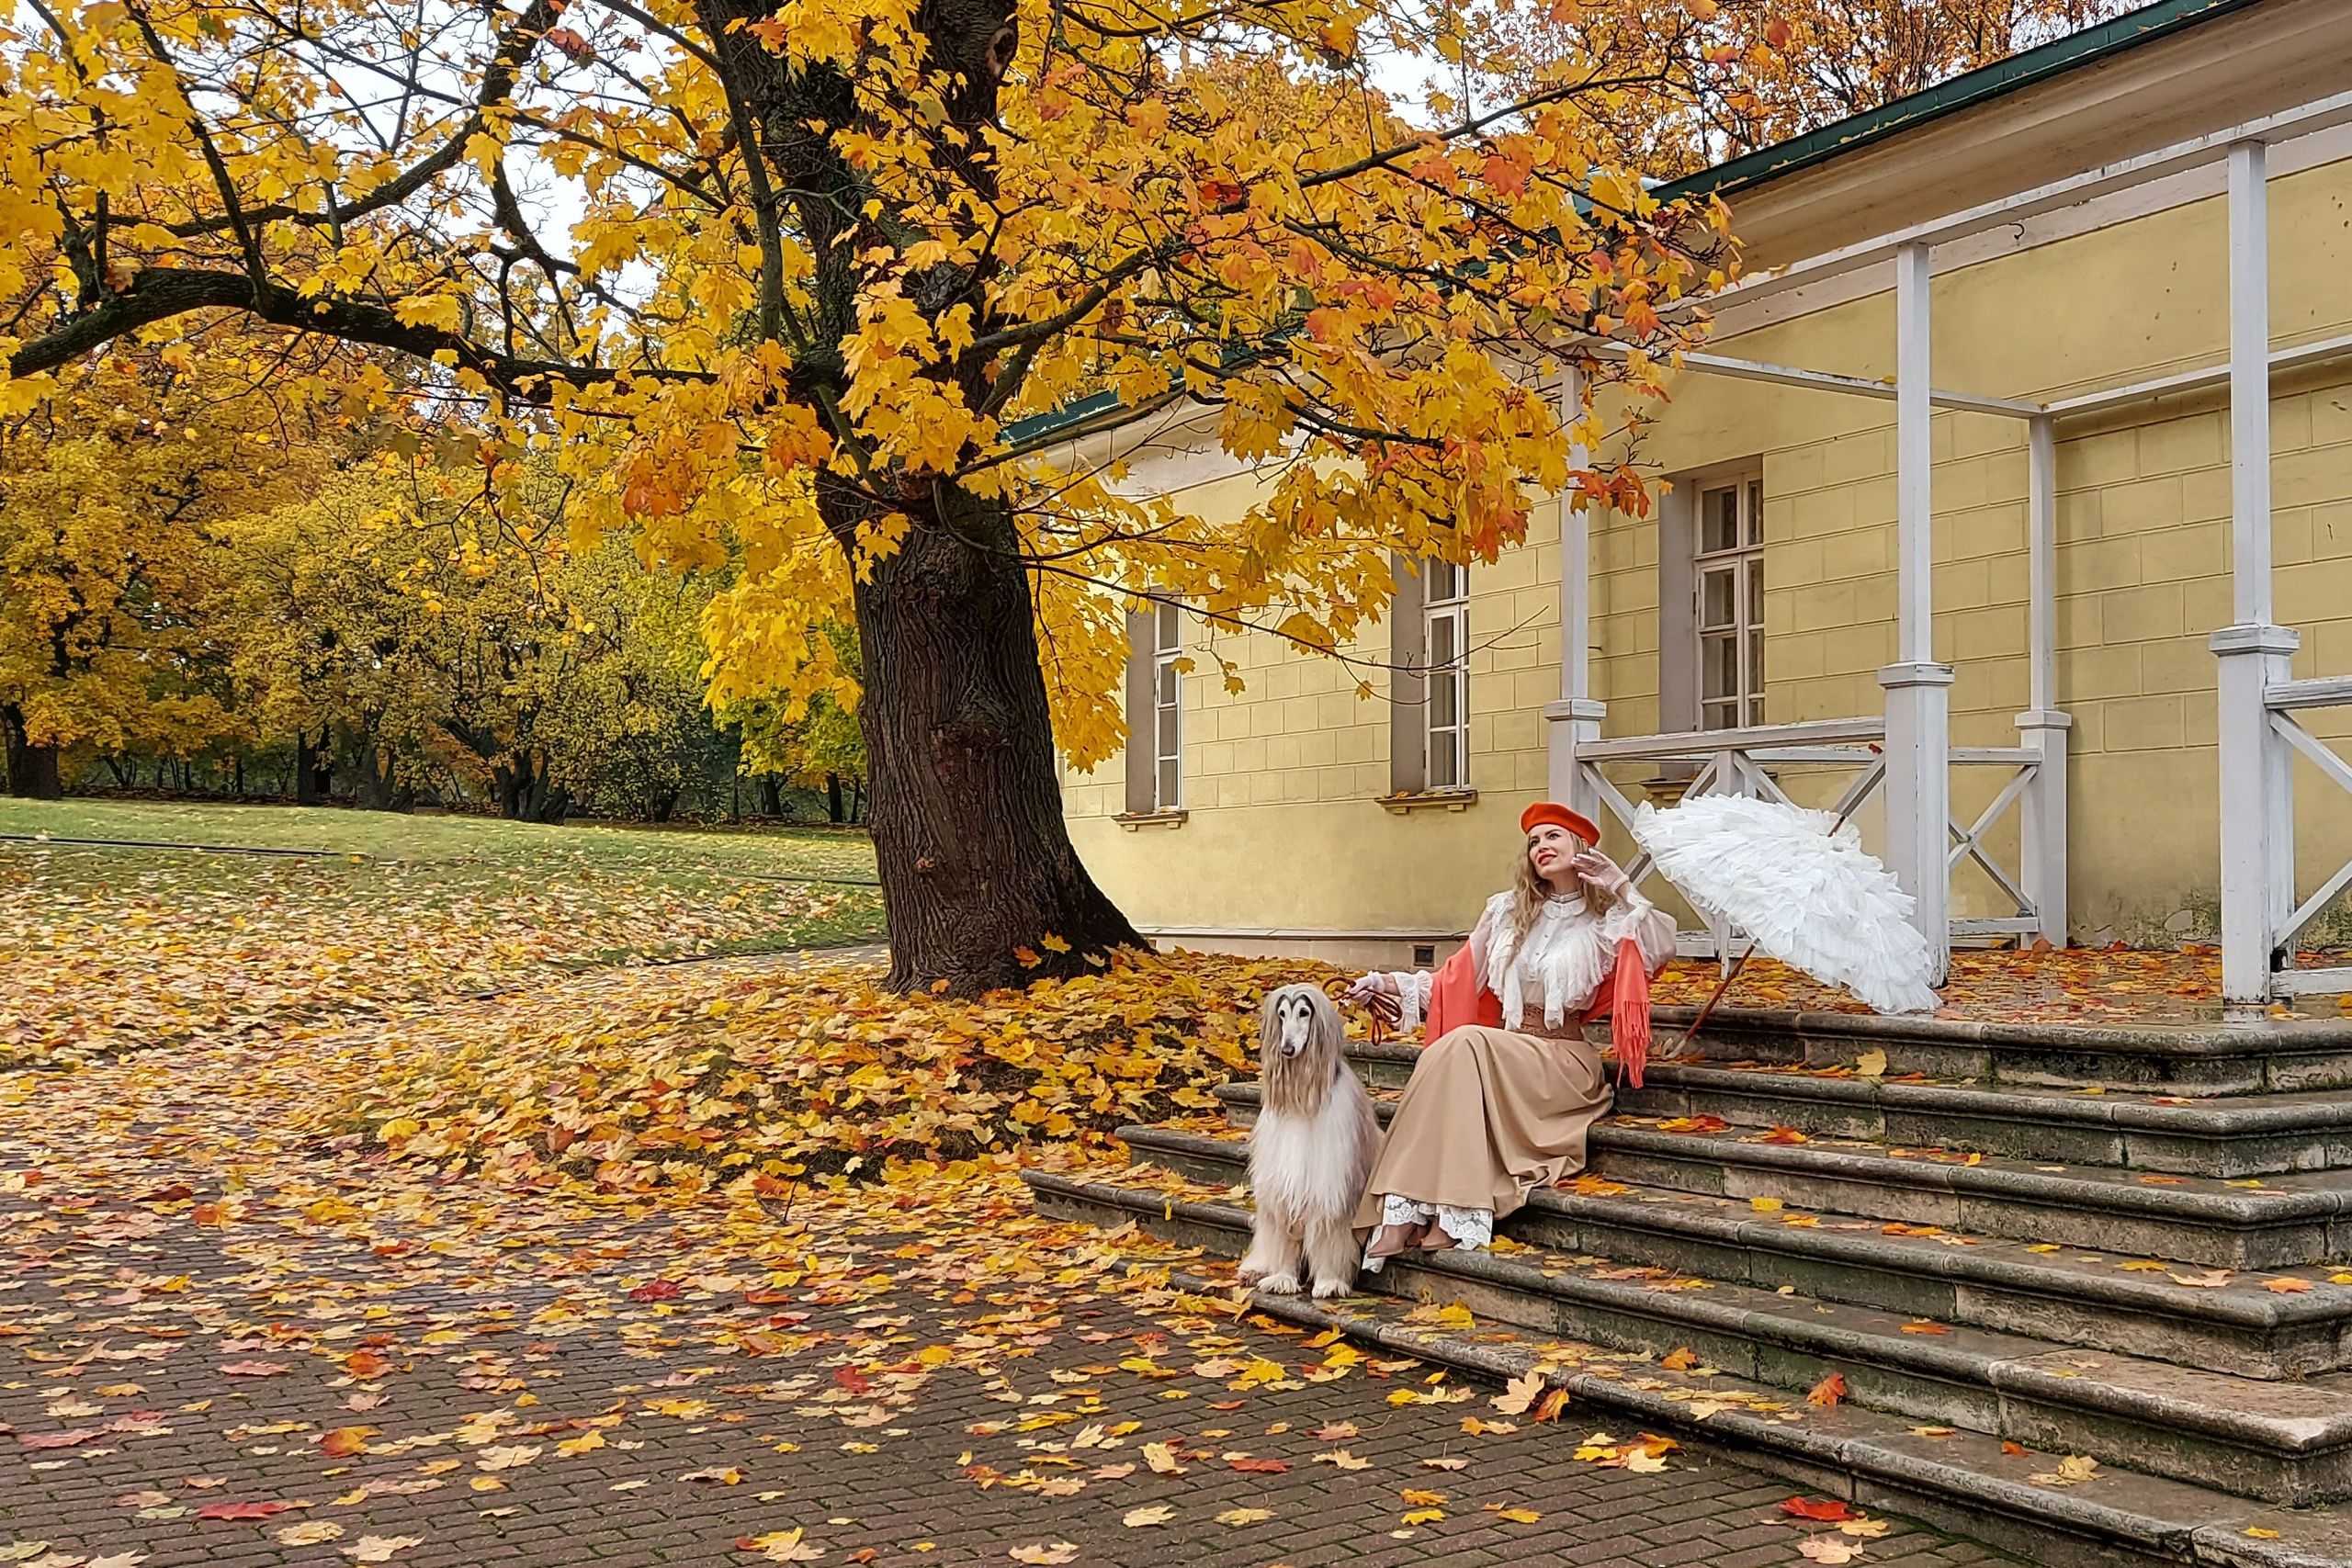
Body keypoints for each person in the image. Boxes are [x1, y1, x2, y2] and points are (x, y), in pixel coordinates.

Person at [1343, 802, 1675, 1269]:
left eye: (1553, 836)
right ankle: (1416, 1209)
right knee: (1453, 1049)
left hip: (1561, 1063)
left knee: (1462, 1044)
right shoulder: (1505, 912)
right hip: (1502, 1054)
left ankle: (1434, 1208)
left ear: (1581, 847)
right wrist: (1382, 983)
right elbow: (1453, 981)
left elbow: (1659, 948)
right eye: (1534, 841)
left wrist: (1620, 886)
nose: (1542, 847)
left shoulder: (1607, 919)